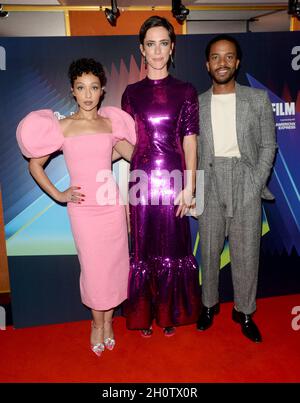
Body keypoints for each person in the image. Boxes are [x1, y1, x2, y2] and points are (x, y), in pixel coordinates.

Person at [16, 58, 136, 356]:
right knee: (94, 271)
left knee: (114, 267)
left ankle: (109, 323)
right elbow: (35, 165)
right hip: (84, 212)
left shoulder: (110, 124)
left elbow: (134, 155)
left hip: (112, 206)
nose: (87, 94)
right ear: (72, 90)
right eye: (81, 87)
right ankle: (97, 326)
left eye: (93, 87)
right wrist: (58, 195)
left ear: (102, 90)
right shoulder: (63, 127)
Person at [121, 16, 201, 337]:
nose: (157, 51)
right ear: (142, 49)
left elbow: (190, 141)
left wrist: (190, 186)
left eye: (163, 43)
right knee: (143, 249)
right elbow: (125, 141)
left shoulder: (186, 91)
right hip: (140, 180)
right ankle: (144, 314)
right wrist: (139, 160)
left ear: (172, 48)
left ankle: (169, 313)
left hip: (172, 181)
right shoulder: (130, 93)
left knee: (172, 247)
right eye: (150, 44)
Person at [196, 34, 277, 342]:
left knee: (246, 254)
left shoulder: (256, 100)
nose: (222, 62)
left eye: (229, 56)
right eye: (216, 57)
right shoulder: (198, 103)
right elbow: (194, 150)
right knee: (210, 251)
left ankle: (244, 312)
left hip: (245, 179)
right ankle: (208, 306)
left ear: (238, 62)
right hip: (211, 180)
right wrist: (196, 189)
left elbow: (269, 144)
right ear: (207, 64)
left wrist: (255, 182)